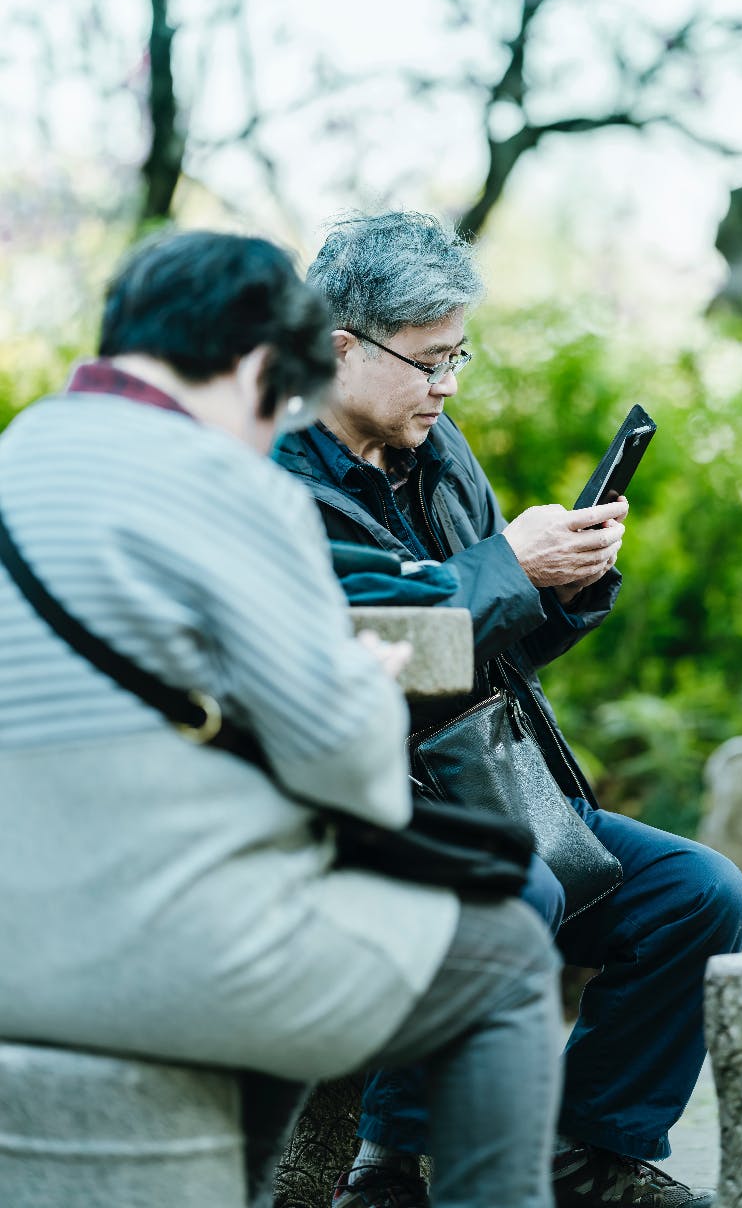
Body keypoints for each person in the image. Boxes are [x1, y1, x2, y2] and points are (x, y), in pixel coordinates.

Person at [0, 229, 564, 1208]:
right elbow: (349, 766)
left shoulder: (17, 457)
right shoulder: (237, 485)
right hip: (161, 956)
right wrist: (360, 677)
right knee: (507, 956)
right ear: (263, 365)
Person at [275, 211, 742, 1208]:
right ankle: (388, 1165)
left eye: (459, 356)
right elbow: (376, 650)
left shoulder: (438, 451)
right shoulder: (273, 477)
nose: (448, 385)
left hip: (494, 775)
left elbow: (491, 645)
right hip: (355, 800)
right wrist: (507, 566)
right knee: (511, 885)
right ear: (339, 346)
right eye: (430, 359)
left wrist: (563, 586)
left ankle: (584, 1151)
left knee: (698, 892)